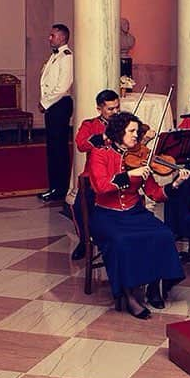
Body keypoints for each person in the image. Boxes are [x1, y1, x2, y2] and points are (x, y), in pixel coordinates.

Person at [86, 111, 189, 319]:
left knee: (164, 234)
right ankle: (128, 295)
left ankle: (154, 285)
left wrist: (176, 183)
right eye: (131, 131)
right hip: (107, 215)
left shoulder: (142, 158)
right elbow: (101, 186)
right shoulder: (100, 154)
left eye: (136, 131)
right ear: (118, 132)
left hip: (134, 212)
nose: (136, 135)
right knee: (122, 241)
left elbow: (155, 194)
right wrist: (128, 174)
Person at [69, 88, 121, 261]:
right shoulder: (89, 125)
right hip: (94, 175)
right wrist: (102, 136)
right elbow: (81, 145)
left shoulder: (123, 123)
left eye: (117, 108)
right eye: (110, 109)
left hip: (118, 173)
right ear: (100, 109)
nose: (115, 113)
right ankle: (84, 242)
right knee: (78, 208)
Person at [38, 23, 73, 202]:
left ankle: (59, 189)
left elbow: (62, 87)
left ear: (62, 37)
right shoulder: (56, 56)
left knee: (58, 149)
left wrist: (45, 103)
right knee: (53, 148)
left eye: (52, 35)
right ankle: (54, 187)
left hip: (59, 105)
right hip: (53, 106)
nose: (49, 38)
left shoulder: (66, 57)